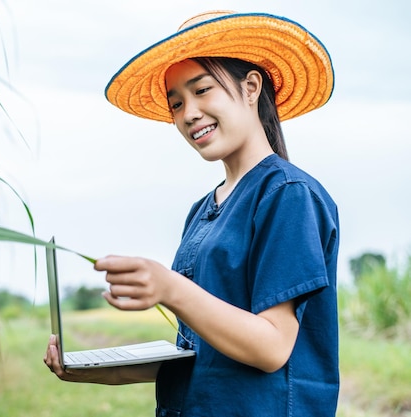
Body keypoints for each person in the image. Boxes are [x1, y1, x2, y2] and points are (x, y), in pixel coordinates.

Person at [44, 10, 340, 417]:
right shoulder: (201, 211)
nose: (188, 114)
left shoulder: (288, 195)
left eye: (202, 91)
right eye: (177, 103)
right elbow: (200, 356)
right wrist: (88, 369)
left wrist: (170, 289)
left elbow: (272, 347)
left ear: (251, 87)